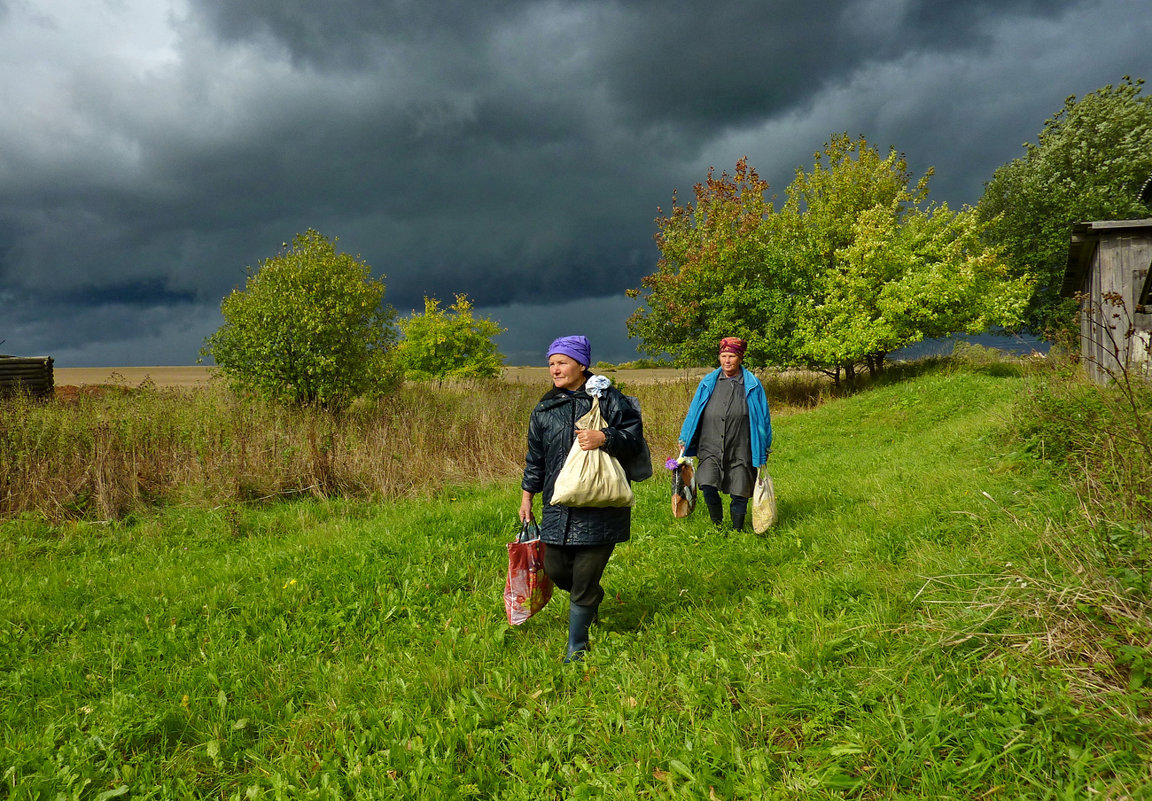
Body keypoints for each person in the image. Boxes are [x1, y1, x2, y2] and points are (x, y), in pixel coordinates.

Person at [520, 335, 646, 662]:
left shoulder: (610, 400)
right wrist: (527, 498)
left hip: (601, 506)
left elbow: (634, 440)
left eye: (562, 362)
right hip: (558, 506)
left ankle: (576, 647)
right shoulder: (545, 408)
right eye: (551, 364)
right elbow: (535, 458)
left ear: (582, 365)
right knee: (556, 568)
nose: (555, 369)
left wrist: (605, 436)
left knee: (584, 577)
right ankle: (592, 597)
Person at [677, 337, 772, 531]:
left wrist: (764, 445)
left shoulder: (752, 384)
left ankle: (737, 529)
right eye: (723, 356)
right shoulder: (708, 382)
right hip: (710, 444)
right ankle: (717, 525)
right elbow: (694, 411)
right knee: (707, 484)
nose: (727, 361)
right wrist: (684, 438)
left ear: (740, 358)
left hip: (741, 445)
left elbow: (763, 418)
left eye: (731, 356)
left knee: (740, 490)